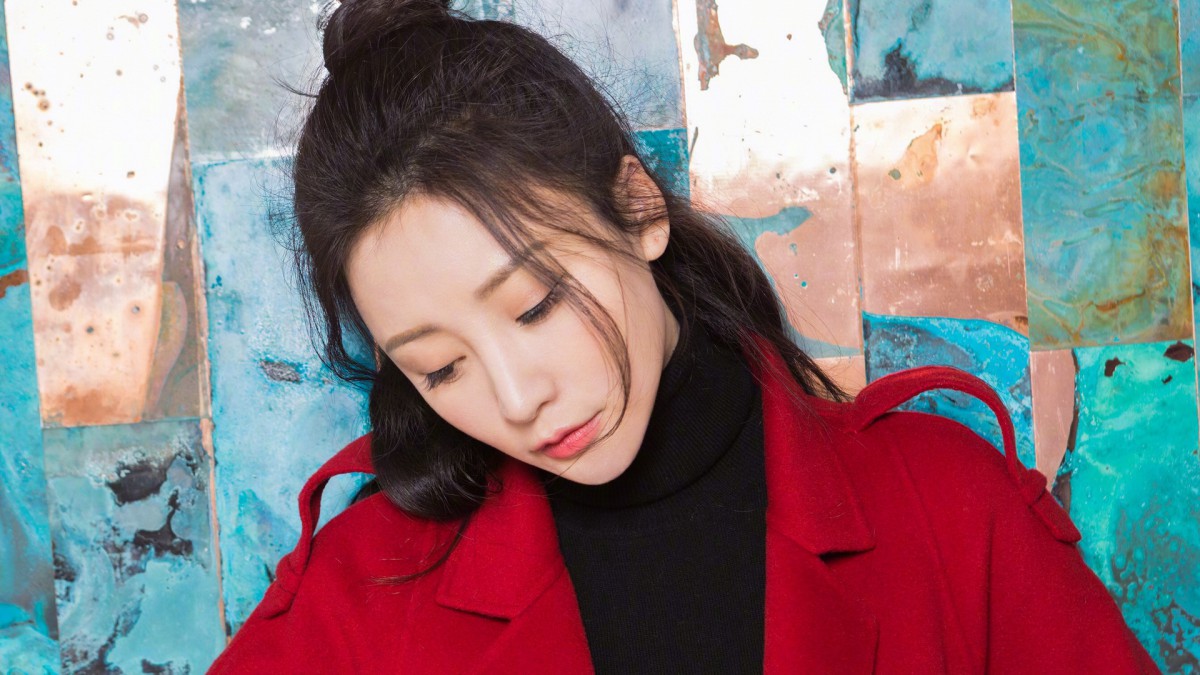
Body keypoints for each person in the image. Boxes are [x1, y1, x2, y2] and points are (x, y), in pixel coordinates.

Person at [208, 0, 1162, 672]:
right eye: (440, 366)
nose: (517, 397)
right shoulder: (362, 594)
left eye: (536, 305)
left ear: (637, 208)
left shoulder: (946, 507)